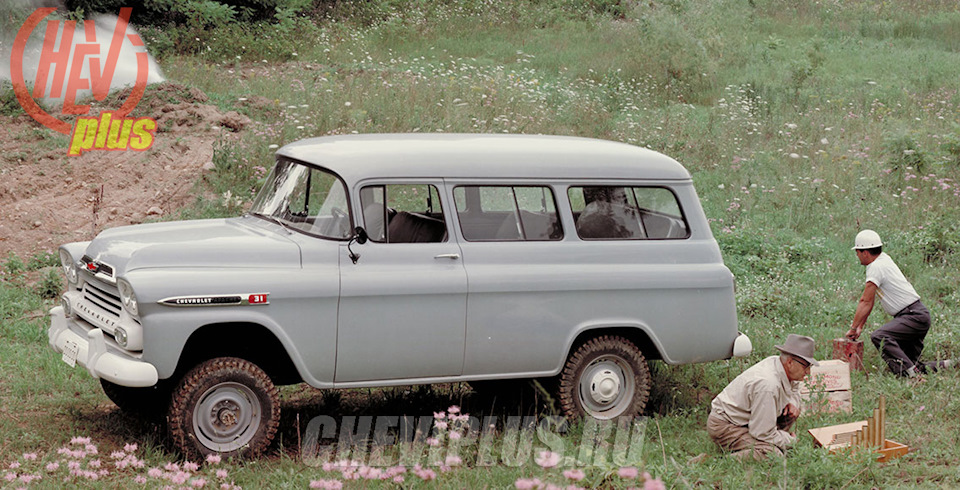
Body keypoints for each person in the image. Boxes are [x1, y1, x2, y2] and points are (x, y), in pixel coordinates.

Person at [845, 229, 952, 378]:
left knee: (879, 336)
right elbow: (870, 302)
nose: (857, 255)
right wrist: (860, 326)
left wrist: (853, 328)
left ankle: (913, 378)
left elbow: (865, 301)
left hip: (912, 316)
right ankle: (950, 365)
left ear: (865, 252)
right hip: (918, 315)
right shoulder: (883, 259)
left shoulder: (875, 267)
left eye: (857, 251)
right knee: (911, 364)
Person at [707, 334, 817, 460]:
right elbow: (762, 433)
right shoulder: (768, 385)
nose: (808, 372)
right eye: (806, 366)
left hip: (748, 420)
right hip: (726, 425)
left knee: (790, 416)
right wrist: (789, 441)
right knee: (771, 454)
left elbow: (795, 388)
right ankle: (715, 461)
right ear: (790, 362)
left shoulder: (781, 364)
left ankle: (764, 442)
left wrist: (792, 402)